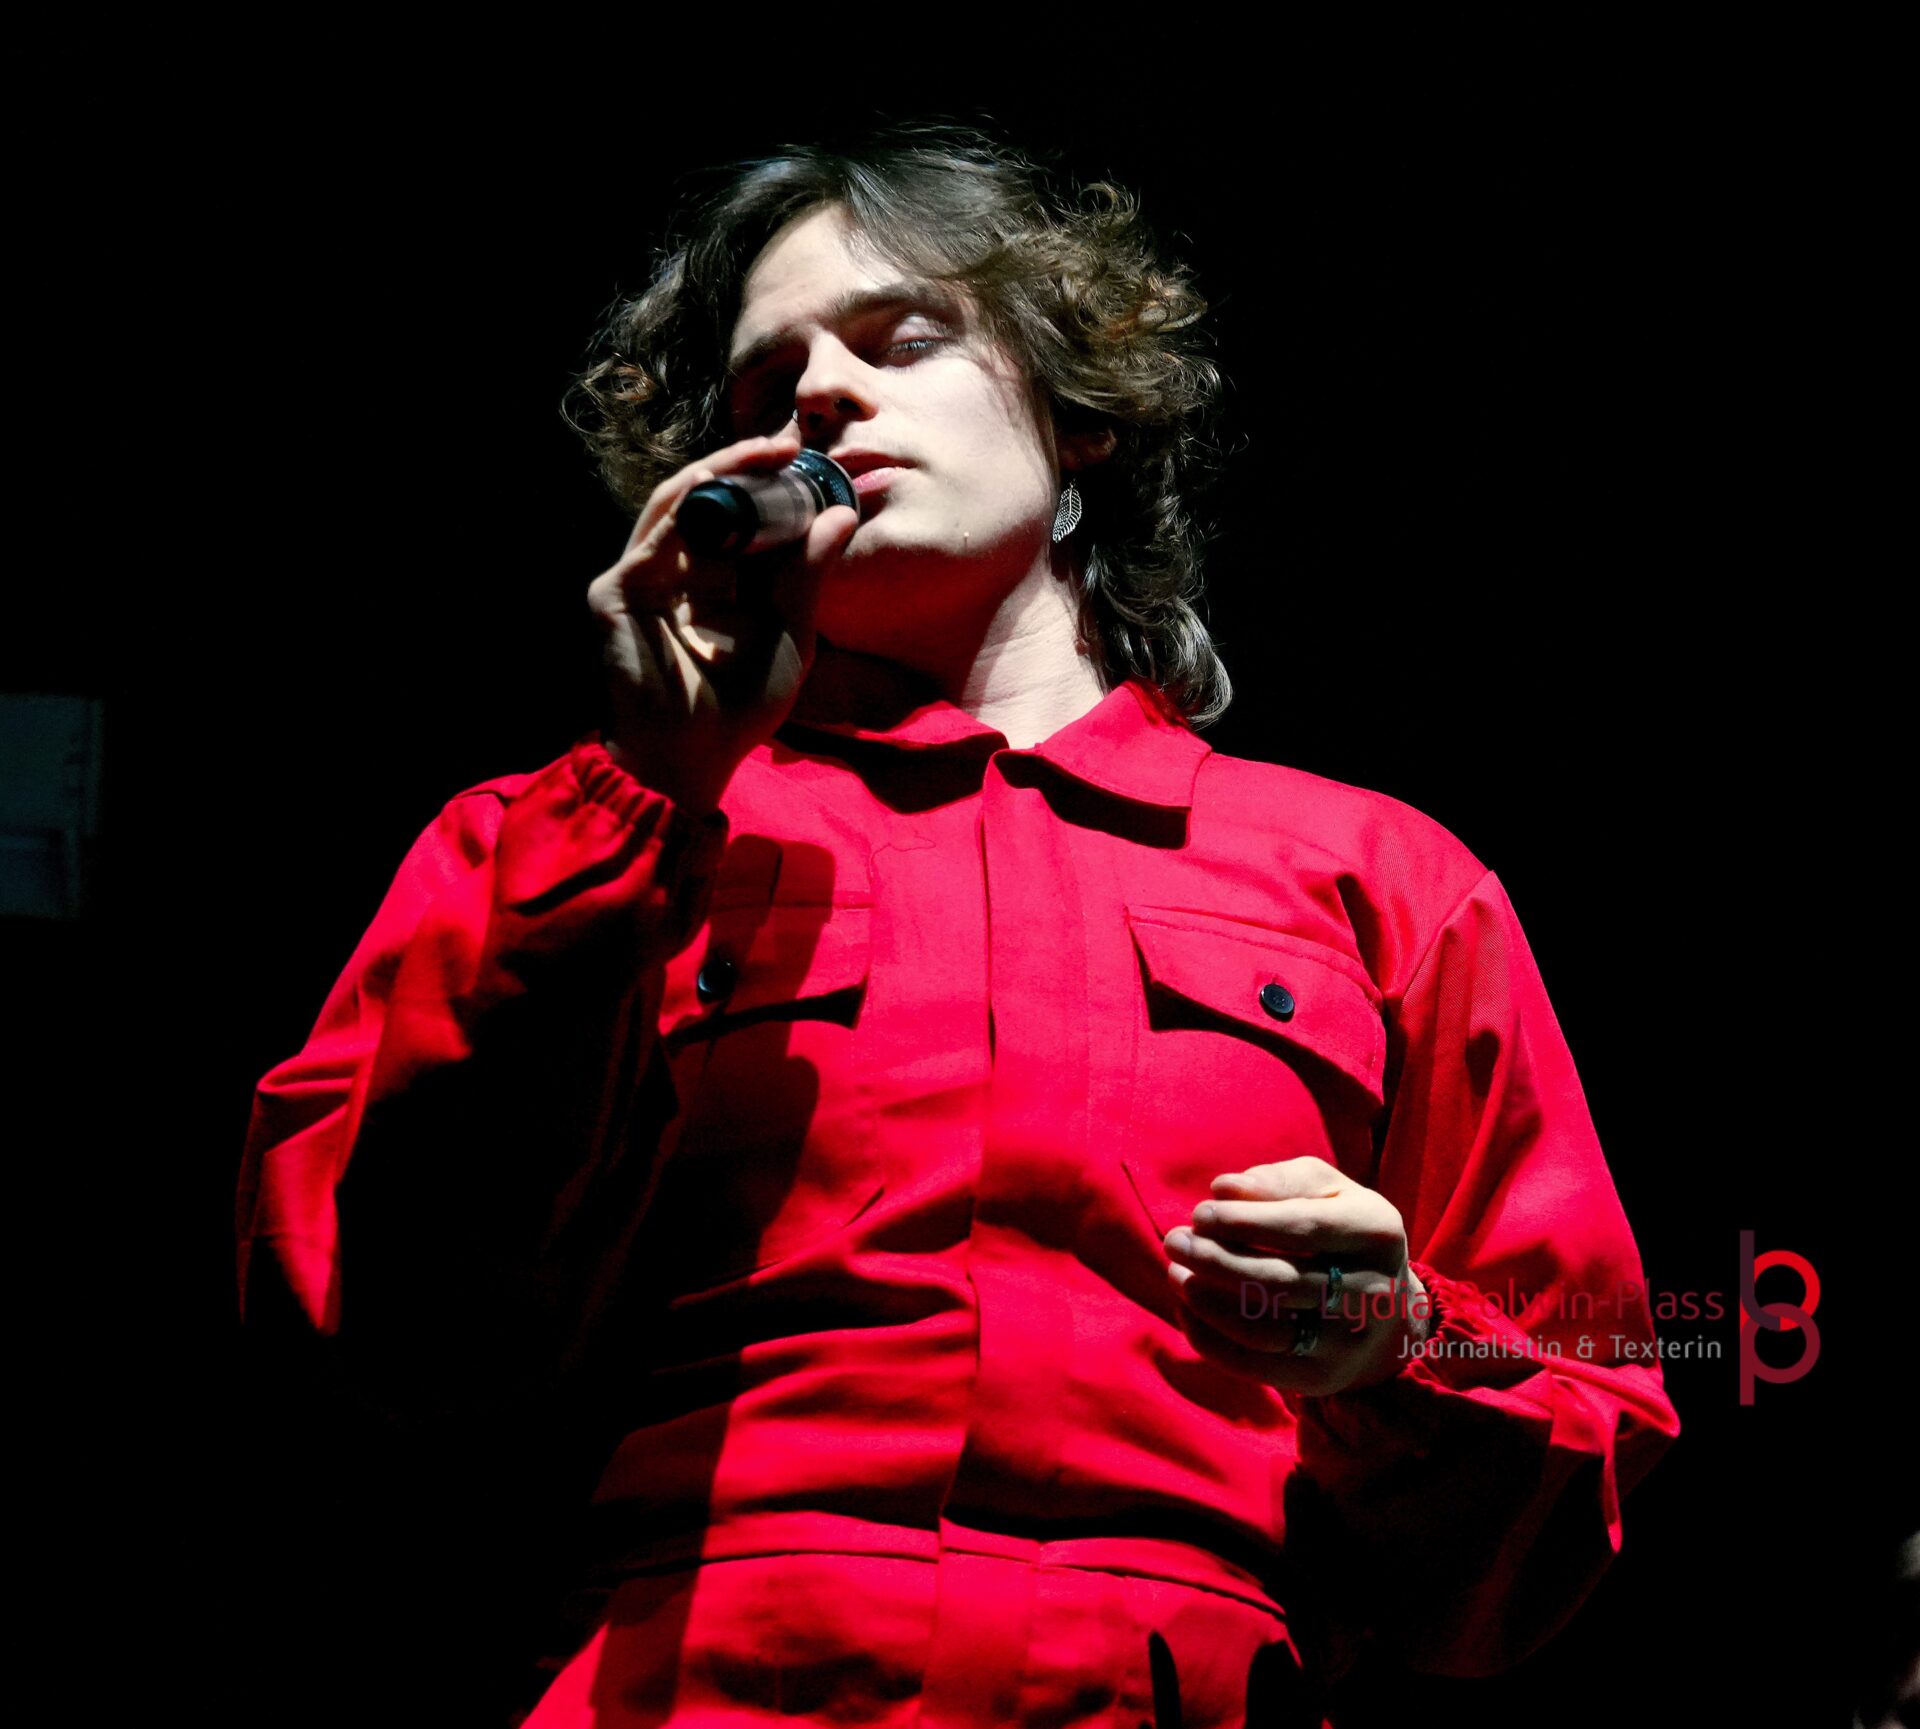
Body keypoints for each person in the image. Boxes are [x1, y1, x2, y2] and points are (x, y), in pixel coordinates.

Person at [234, 124, 1681, 1728]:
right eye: (765, 382)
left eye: (901, 338)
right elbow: (386, 1326)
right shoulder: (560, 839)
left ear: (1079, 416)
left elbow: (1576, 1442)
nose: (820, 397)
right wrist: (644, 796)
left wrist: (1393, 1343)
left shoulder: (1378, 878)